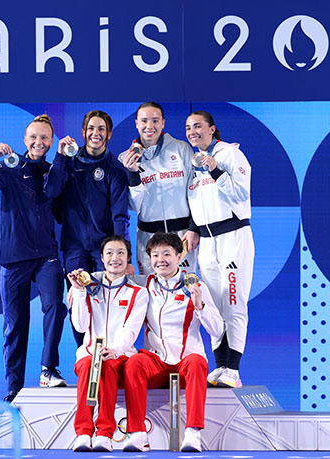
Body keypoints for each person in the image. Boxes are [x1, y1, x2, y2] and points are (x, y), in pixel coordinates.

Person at [0, 114, 68, 403]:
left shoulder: (53, 169)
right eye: (34, 137)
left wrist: (60, 160)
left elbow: (55, 192)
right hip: (13, 258)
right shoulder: (9, 167)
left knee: (55, 308)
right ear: (25, 139)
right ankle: (14, 387)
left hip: (46, 254)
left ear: (51, 141)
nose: (39, 142)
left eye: (45, 137)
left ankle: (48, 369)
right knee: (16, 323)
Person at [122, 232, 223, 453]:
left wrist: (199, 306)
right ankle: (138, 433)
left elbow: (217, 330)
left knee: (198, 363)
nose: (160, 260)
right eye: (155, 255)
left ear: (179, 257)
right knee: (134, 363)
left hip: (186, 361)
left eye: (167, 254)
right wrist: (79, 287)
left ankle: (193, 433)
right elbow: (111, 278)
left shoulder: (196, 286)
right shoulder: (144, 284)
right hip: (156, 362)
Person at [46, 110, 131, 346]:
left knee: (107, 304)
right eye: (91, 128)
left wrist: (123, 254)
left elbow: (120, 215)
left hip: (104, 250)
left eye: (101, 129)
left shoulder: (115, 169)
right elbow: (51, 191)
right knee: (79, 301)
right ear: (83, 132)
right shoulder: (70, 162)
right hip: (74, 248)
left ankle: (108, 359)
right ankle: (85, 355)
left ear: (109, 134)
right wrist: (61, 157)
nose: (96, 133)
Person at [184, 110, 254, 389]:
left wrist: (215, 169)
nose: (192, 132)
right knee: (211, 304)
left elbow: (241, 194)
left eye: (198, 126)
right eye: (188, 127)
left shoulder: (230, 154)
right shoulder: (193, 163)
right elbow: (198, 202)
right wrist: (192, 226)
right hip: (207, 242)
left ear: (212, 129)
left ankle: (233, 369)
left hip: (233, 236)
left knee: (233, 303)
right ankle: (220, 366)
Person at [66, 235, 148, 452]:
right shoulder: (89, 286)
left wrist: (116, 350)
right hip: (89, 354)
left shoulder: (139, 293)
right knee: (86, 364)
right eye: (109, 253)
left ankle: (104, 433)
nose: (115, 258)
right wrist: (79, 291)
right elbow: (81, 326)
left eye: (121, 253)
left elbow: (132, 329)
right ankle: (83, 433)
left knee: (109, 366)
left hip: (120, 356)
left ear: (128, 258)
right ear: (102, 258)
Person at [118, 102, 199, 274]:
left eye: (155, 121)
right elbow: (132, 205)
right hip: (148, 236)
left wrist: (194, 228)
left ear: (163, 123)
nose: (149, 126)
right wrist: (132, 173)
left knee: (184, 291)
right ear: (136, 123)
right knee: (151, 293)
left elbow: (196, 192)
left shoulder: (181, 149)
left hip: (182, 235)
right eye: (144, 121)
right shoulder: (126, 159)